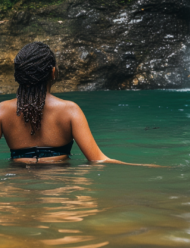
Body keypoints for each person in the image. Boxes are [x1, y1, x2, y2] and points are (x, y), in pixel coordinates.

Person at [0, 42, 160, 166]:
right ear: (53, 72)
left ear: (18, 75)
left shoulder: (2, 111)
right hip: (60, 186)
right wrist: (144, 166)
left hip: (18, 183)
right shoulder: (70, 111)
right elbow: (99, 161)